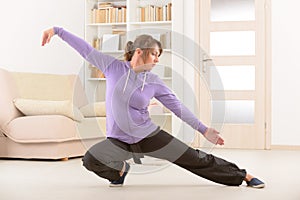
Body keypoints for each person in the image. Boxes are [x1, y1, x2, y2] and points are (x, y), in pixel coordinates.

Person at [42, 27, 265, 188]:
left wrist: (203, 129)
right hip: (118, 140)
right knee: (90, 159)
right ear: (139, 51)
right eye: (155, 54)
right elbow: (85, 50)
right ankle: (119, 172)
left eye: (159, 55)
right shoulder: (112, 67)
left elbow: (178, 108)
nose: (157, 60)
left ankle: (242, 175)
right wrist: (57, 31)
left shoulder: (155, 81)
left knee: (194, 158)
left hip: (148, 136)